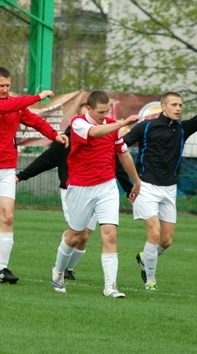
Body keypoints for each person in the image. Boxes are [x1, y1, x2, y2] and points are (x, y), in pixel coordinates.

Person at [0, 67, 68, 283]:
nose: (5, 89)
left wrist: (54, 135)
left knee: (8, 216)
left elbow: (35, 120)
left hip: (6, 169)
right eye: (1, 85)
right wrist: (38, 97)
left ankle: (1, 270)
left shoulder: (14, 105)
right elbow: (11, 105)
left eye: (8, 86)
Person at [16, 102, 134, 281]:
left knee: (92, 236)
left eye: (104, 113)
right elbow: (45, 160)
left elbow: (118, 164)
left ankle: (77, 272)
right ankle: (59, 269)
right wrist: (21, 176)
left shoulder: (106, 134)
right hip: (74, 190)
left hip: (102, 189)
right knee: (76, 236)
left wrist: (130, 187)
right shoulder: (67, 138)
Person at [123, 67, 197, 291]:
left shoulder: (182, 130)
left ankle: (146, 258)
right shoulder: (145, 127)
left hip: (169, 189)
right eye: (174, 104)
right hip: (147, 187)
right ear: (162, 107)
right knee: (153, 233)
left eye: (181, 105)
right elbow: (120, 147)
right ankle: (151, 280)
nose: (178, 108)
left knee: (166, 241)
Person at [51, 91, 140, 297]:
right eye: (101, 112)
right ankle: (57, 272)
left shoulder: (111, 126)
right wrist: (121, 123)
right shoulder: (78, 123)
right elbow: (95, 133)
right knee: (75, 237)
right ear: (89, 109)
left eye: (107, 111)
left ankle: (111, 286)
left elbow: (123, 154)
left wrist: (136, 181)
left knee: (110, 234)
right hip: (80, 187)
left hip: (106, 186)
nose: (104, 115)